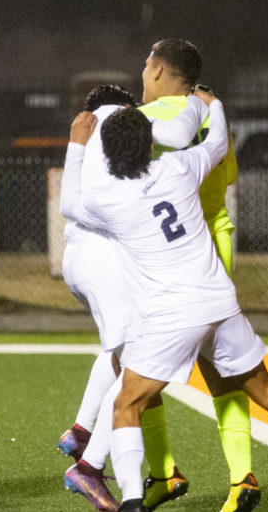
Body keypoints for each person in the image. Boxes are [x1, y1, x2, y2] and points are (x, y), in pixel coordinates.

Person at [60, 104, 268, 512]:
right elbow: (216, 143)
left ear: (106, 154)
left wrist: (76, 146)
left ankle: (131, 502)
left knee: (126, 404)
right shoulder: (179, 169)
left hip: (173, 315)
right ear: (149, 144)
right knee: (266, 390)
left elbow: (68, 203)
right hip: (220, 303)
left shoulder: (108, 200)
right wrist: (211, 105)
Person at [58, 84, 210, 511]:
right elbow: (180, 137)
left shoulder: (87, 133)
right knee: (135, 366)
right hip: (103, 258)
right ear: (125, 107)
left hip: (85, 256)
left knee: (123, 353)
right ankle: (88, 465)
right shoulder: (119, 119)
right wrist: (200, 102)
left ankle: (83, 430)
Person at [136, 38, 253, 512]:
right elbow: (227, 178)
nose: (142, 74)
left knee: (135, 363)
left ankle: (163, 471)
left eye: (146, 65)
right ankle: (241, 476)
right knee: (223, 366)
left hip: (165, 254)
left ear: (161, 70)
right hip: (216, 243)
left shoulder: (145, 119)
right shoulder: (211, 114)